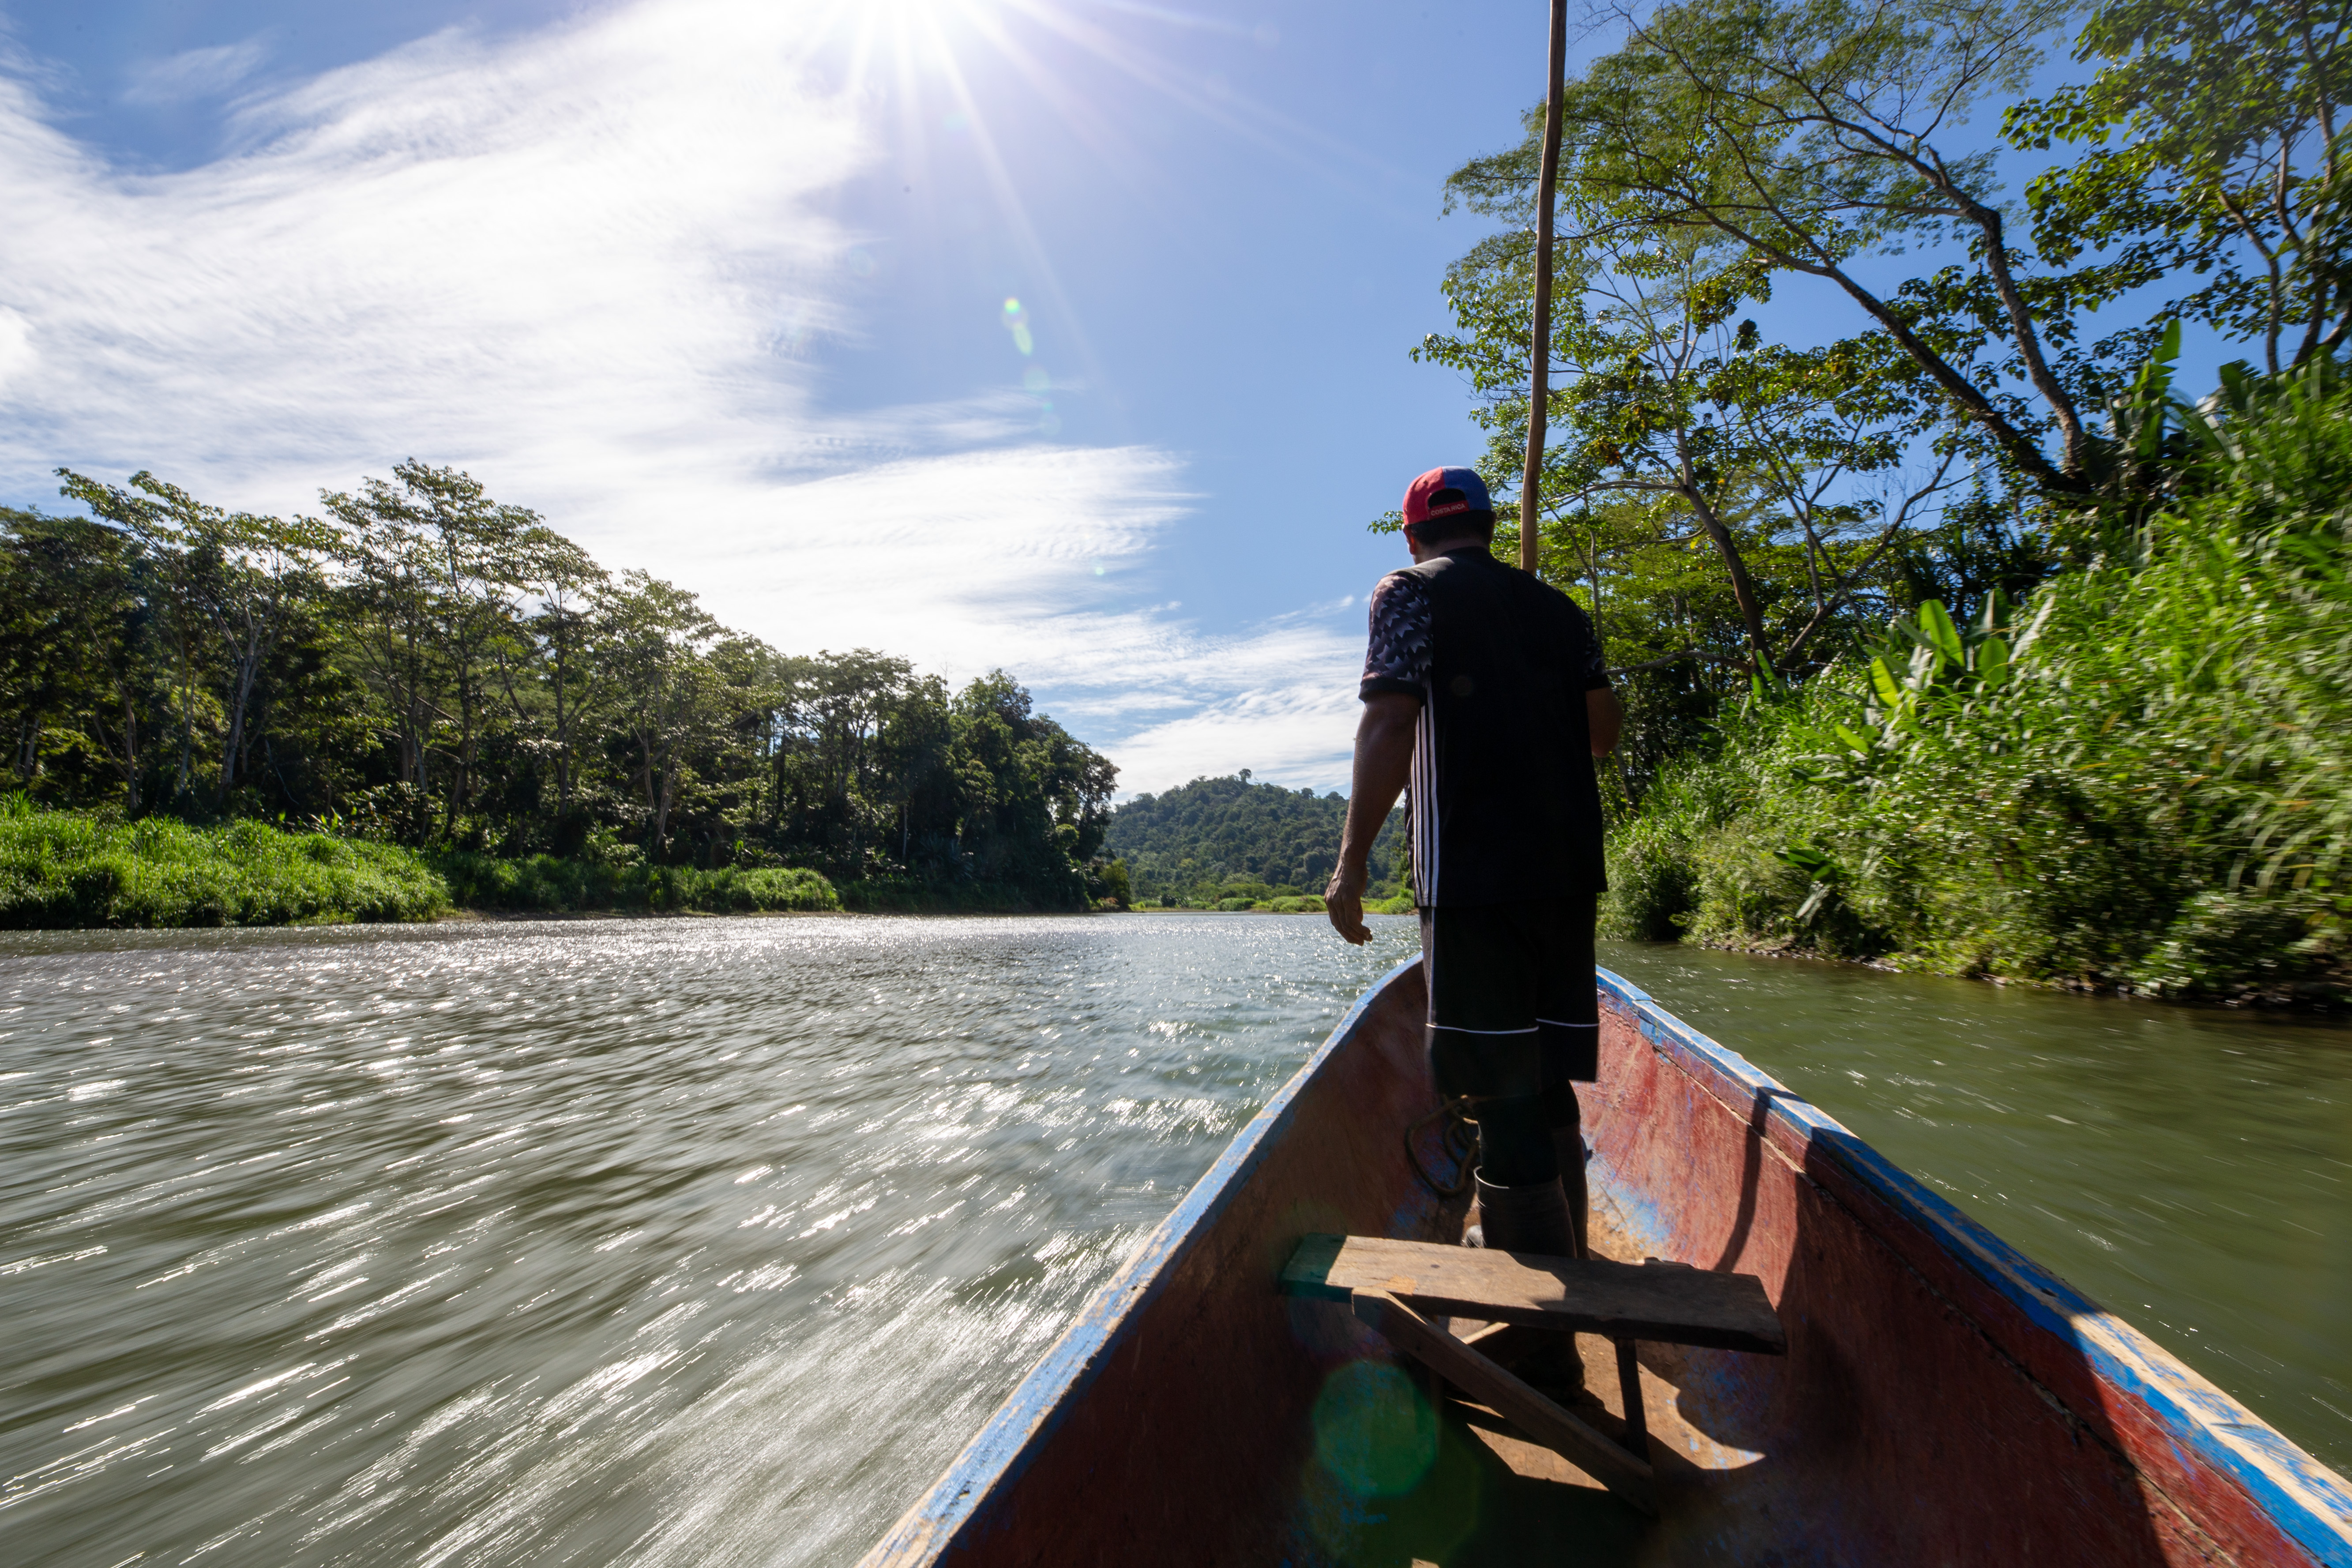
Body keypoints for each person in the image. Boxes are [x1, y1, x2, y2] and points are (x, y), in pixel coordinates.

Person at [1325, 465, 1621, 1263]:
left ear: (1412, 537)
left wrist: (1351, 861)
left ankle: (1540, 1307)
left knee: (1497, 1086)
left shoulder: (1406, 592)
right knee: (1544, 1072)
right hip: (1567, 874)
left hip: (1470, 875)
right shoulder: (1560, 610)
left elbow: (1389, 723)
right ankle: (1571, 1252)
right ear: (1490, 527)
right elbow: (1602, 734)